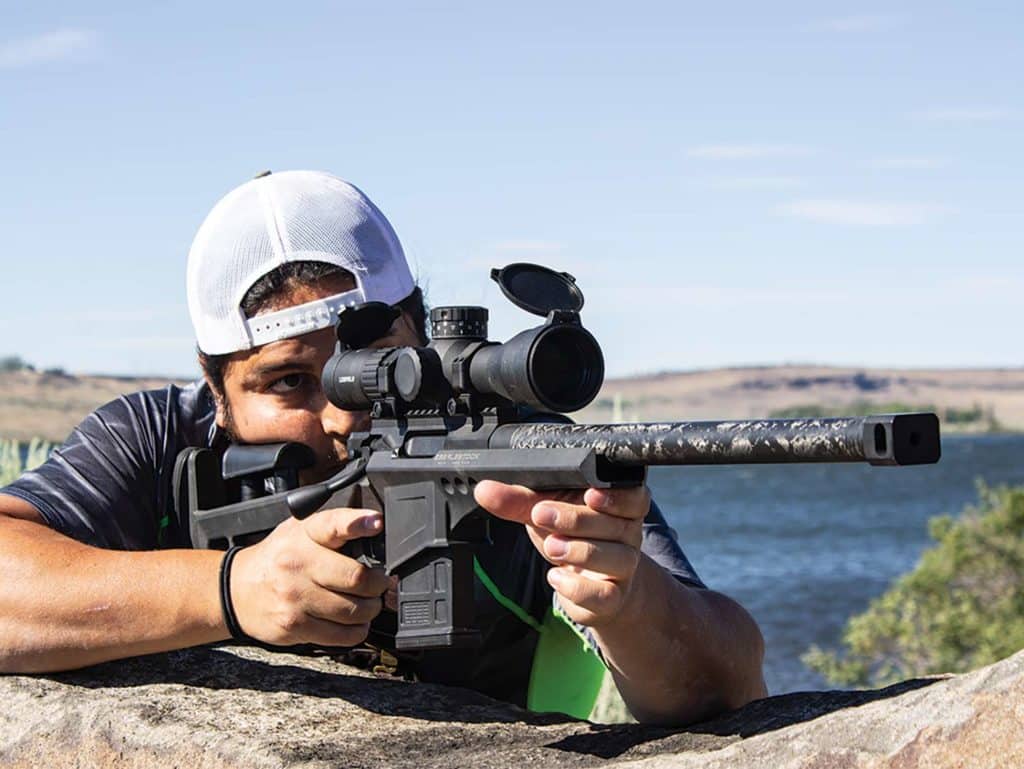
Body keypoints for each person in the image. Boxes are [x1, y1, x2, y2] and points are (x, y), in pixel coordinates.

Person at [0, 170, 766, 725]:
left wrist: (629, 602)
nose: (342, 415)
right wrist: (235, 588)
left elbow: (731, 681)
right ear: (215, 386)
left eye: (374, 369)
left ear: (422, 330)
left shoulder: (514, 458)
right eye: (292, 383)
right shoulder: (158, 442)